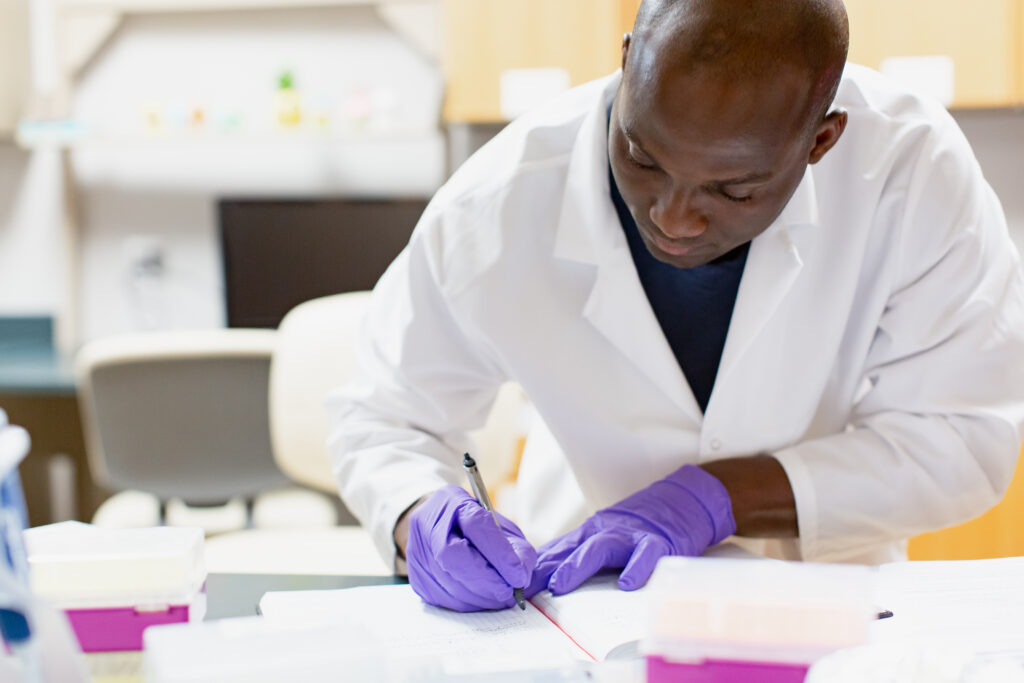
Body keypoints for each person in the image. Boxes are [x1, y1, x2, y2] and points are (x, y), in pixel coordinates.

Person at [328, 0, 1024, 613]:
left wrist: (718, 498)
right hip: (583, 602)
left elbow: (965, 435)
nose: (674, 217)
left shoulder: (910, 174)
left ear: (821, 140)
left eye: (734, 191)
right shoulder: (498, 203)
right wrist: (421, 512)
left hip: (826, 604)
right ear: (628, 64)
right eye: (642, 156)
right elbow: (384, 416)